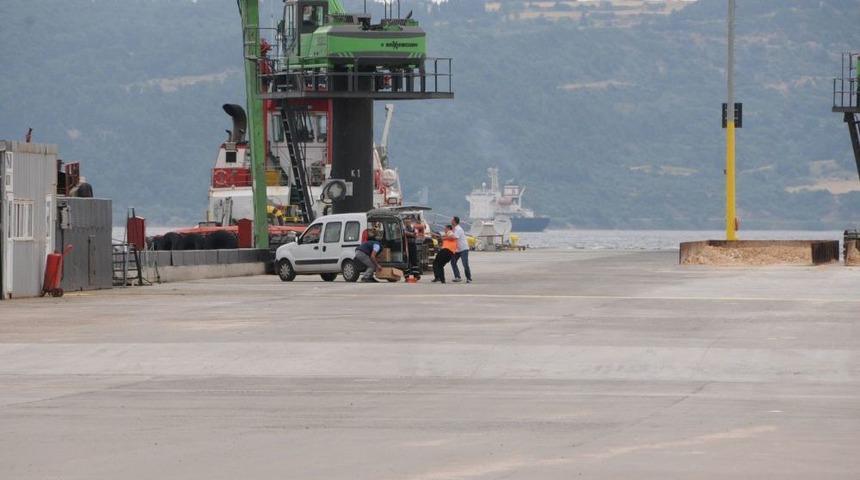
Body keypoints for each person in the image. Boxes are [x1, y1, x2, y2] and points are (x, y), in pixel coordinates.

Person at [449, 216, 472, 283]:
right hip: (458, 249)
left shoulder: (459, 229)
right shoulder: (454, 229)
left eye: (452, 220)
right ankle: (457, 277)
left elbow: (454, 237)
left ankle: (468, 278)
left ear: (454, 221)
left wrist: (446, 237)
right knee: (453, 262)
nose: (451, 221)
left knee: (465, 263)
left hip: (464, 249)